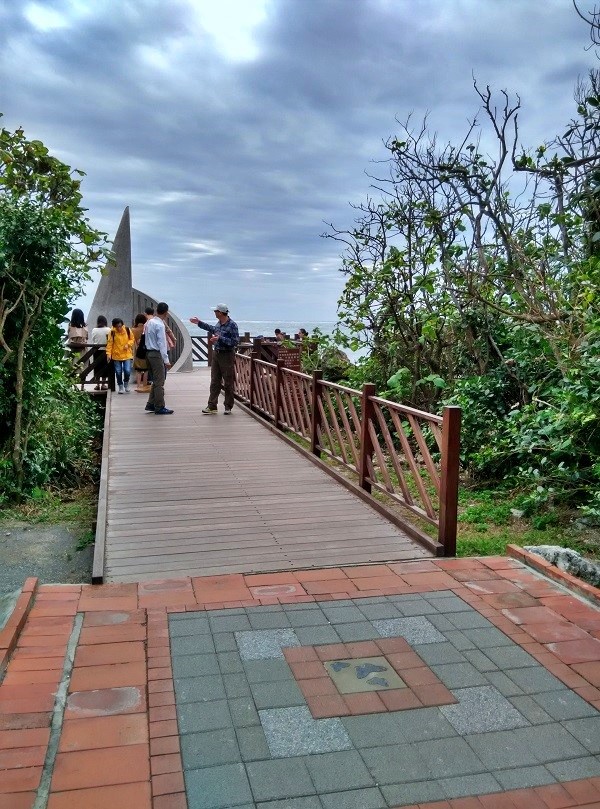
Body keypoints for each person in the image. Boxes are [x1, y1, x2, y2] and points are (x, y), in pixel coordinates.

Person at [190, 304, 239, 415]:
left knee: (228, 382)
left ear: (221, 313)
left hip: (227, 355)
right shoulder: (219, 324)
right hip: (217, 354)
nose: (214, 313)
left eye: (215, 311)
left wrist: (220, 338)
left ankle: (228, 406)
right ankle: (212, 406)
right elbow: (212, 329)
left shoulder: (232, 325)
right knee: (214, 381)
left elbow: (235, 342)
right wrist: (199, 323)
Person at [144, 302, 173, 415]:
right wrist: (166, 360)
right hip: (156, 354)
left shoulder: (149, 322)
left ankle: (151, 404)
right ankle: (160, 406)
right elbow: (162, 343)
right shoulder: (160, 325)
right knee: (160, 382)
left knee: (155, 381)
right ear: (166, 312)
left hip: (148, 353)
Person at [106, 318, 134, 394]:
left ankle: (126, 382)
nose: (119, 328)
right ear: (114, 326)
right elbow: (109, 344)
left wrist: (128, 344)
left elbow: (132, 339)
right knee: (118, 372)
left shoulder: (127, 330)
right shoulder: (112, 332)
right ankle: (120, 385)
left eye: (120, 326)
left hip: (127, 354)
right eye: (117, 326)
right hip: (116, 355)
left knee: (127, 370)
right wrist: (108, 354)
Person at [91, 315, 111, 390]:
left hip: (96, 351)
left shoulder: (94, 330)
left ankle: (97, 384)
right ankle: (103, 384)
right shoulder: (109, 330)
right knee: (105, 368)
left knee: (97, 367)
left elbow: (93, 340)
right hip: (105, 351)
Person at [131, 313, 150, 392]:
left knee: (138, 370)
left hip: (137, 351)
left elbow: (132, 341)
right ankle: (144, 386)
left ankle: (138, 386)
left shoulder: (133, 330)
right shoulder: (146, 328)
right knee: (146, 370)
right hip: (146, 350)